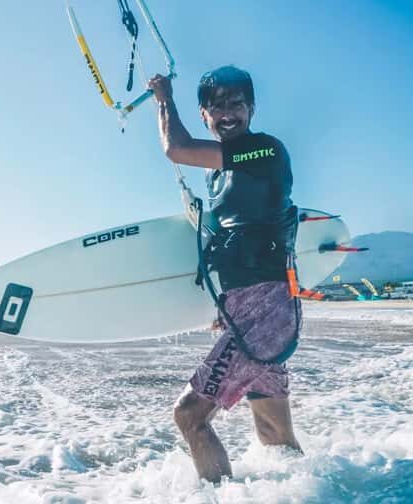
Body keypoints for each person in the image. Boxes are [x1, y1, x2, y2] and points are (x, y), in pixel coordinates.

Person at [148, 65, 303, 483]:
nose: (227, 113)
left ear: (251, 109)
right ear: (205, 115)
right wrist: (226, 305)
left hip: (266, 313)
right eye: (217, 107)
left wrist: (164, 99)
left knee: (189, 416)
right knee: (274, 435)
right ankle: (312, 491)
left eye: (236, 103)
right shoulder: (217, 177)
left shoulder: (264, 151)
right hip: (255, 311)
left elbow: (176, 148)